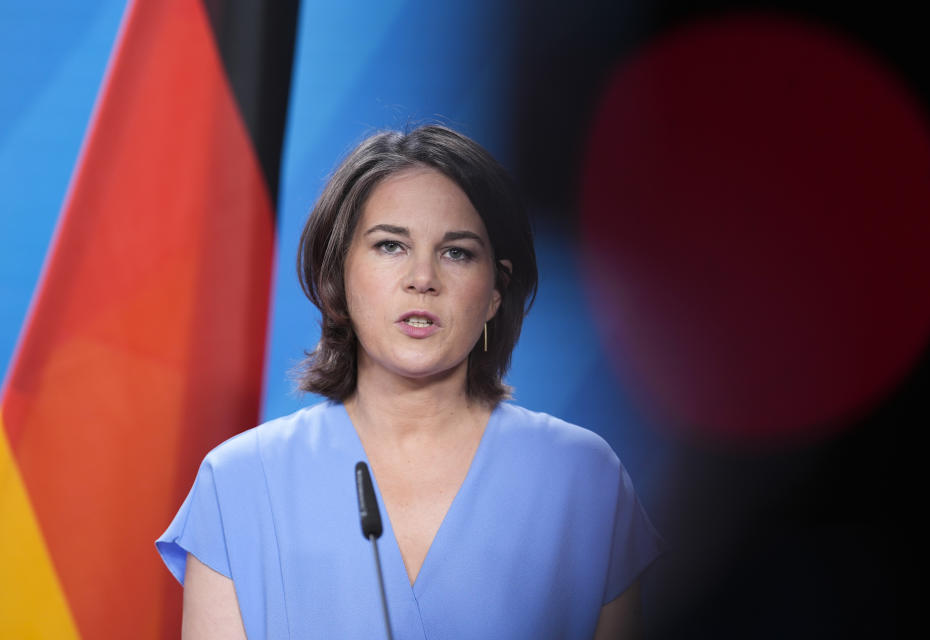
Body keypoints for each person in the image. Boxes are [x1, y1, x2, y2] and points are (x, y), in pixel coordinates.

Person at [156, 125, 661, 639]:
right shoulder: (239, 480)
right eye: (391, 245)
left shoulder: (582, 476)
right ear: (339, 275)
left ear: (495, 292)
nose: (423, 277)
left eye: (457, 252)